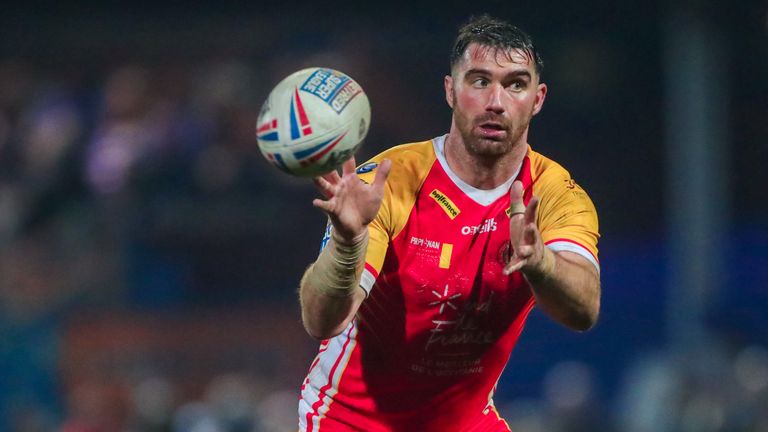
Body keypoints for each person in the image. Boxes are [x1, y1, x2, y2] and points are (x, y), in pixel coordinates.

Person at [297, 14, 601, 432]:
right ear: (450, 91)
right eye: (479, 81)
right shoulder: (390, 182)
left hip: (464, 422)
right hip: (352, 421)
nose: (496, 101)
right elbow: (321, 321)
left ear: (538, 98)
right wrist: (348, 243)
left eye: (515, 84)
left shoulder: (555, 195)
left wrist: (541, 262)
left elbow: (584, 310)